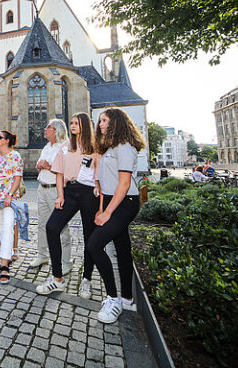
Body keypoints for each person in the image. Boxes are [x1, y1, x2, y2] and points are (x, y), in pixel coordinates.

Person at [90, 107, 146, 323]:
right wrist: (102, 209)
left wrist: (109, 213)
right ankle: (127, 300)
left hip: (125, 203)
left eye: (104, 121)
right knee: (123, 249)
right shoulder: (110, 149)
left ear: (116, 123)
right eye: (100, 121)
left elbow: (123, 184)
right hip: (113, 201)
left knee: (94, 245)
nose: (100, 125)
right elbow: (106, 185)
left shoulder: (125, 147)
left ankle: (113, 298)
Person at [36, 113, 100, 297]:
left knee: (90, 236)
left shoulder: (95, 147)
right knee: (52, 227)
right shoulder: (65, 147)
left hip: (89, 193)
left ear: (85, 126)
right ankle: (57, 279)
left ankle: (86, 279)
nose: (72, 126)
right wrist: (60, 195)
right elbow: (59, 173)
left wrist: (98, 189)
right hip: (70, 191)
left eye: (76, 123)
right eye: (71, 123)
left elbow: (99, 171)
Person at [31, 119, 73, 274]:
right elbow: (38, 166)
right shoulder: (46, 146)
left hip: (56, 191)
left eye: (48, 127)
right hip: (42, 187)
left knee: (61, 227)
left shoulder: (65, 147)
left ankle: (66, 261)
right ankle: (42, 255)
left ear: (56, 130)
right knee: (42, 224)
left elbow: (67, 171)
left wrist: (48, 166)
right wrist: (42, 166)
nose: (45, 129)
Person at [0, 130, 23, 283]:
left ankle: (4, 264)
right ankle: (6, 256)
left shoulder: (15, 156)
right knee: (1, 228)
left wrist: (10, 195)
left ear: (7, 140)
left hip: (9, 199)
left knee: (8, 227)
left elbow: (17, 177)